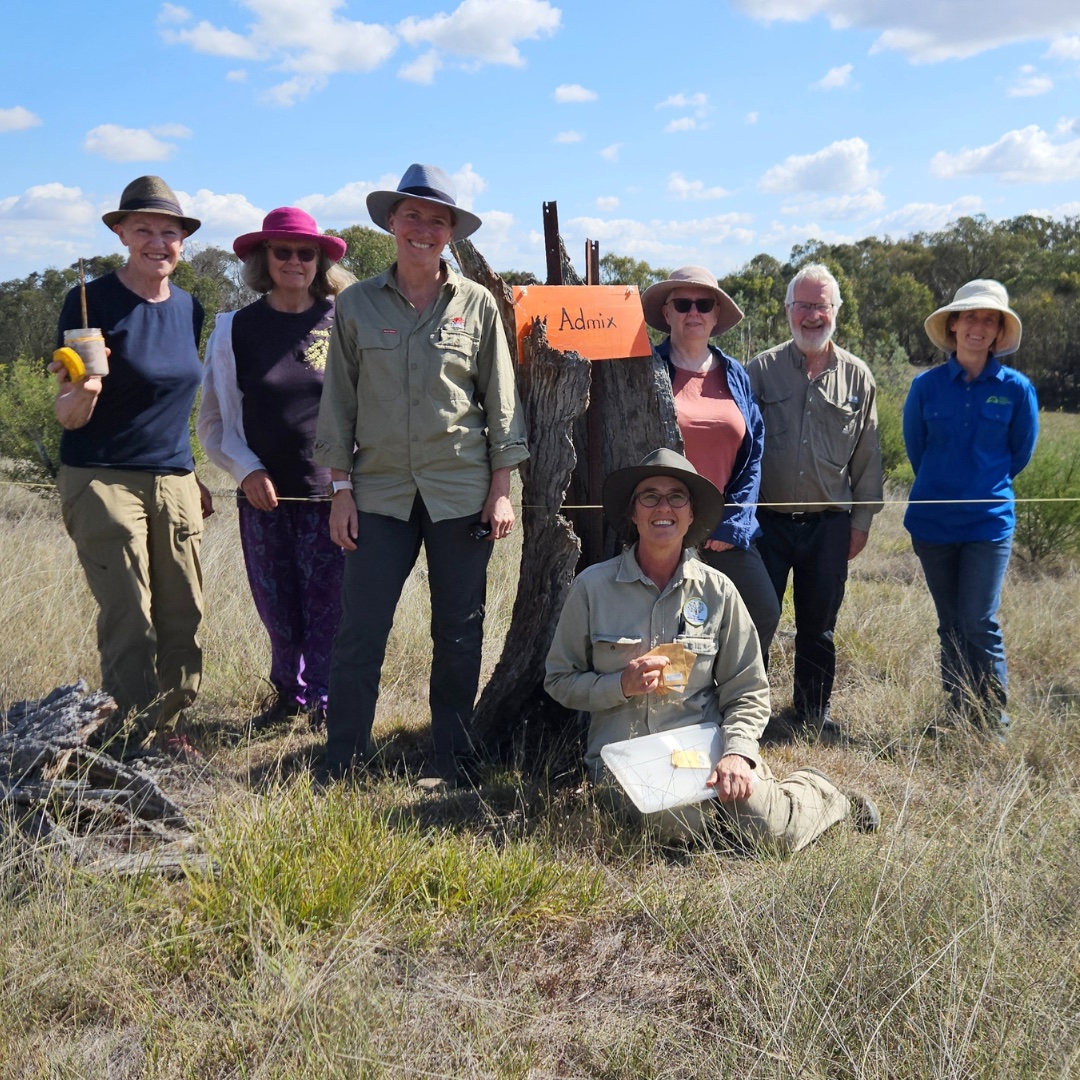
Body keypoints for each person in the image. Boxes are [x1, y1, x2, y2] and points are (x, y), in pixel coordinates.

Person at [544, 448, 879, 850]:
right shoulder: (592, 588)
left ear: (691, 515)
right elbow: (559, 681)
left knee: (775, 831)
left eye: (677, 497)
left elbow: (749, 690)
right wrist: (620, 685)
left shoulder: (718, 591)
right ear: (633, 513)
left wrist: (737, 753)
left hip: (703, 749)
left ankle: (821, 792)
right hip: (625, 758)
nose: (663, 507)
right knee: (675, 825)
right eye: (649, 496)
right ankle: (716, 821)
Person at [314, 163, 529, 784]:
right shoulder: (355, 303)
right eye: (413, 216)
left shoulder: (477, 304)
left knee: (459, 632)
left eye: (438, 220)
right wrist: (341, 490)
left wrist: (502, 490)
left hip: (461, 492)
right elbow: (338, 402)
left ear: (451, 233)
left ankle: (451, 760)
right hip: (378, 492)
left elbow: (501, 401)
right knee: (361, 630)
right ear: (391, 221)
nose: (424, 229)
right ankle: (344, 760)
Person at [50, 175, 212, 746]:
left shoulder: (190, 307)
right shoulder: (90, 301)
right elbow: (68, 413)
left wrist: (192, 474)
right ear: (121, 233)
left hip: (175, 477)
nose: (157, 242)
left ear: (183, 242)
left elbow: (170, 398)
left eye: (170, 232)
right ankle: (128, 737)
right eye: (143, 229)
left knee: (184, 613)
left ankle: (169, 727)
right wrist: (86, 389)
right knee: (130, 616)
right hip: (103, 476)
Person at [198, 208, 354, 731]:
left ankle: (326, 702)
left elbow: (368, 408)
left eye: (305, 253)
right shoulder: (233, 330)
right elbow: (212, 423)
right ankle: (289, 695)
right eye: (282, 251)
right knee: (277, 608)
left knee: (330, 605)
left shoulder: (344, 321)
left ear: (319, 262)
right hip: (263, 498)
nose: (294, 261)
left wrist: (346, 483)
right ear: (263, 259)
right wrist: (245, 471)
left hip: (332, 494)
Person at [746, 264, 883, 736]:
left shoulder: (858, 377)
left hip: (829, 524)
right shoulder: (760, 371)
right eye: (802, 305)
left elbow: (868, 455)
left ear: (836, 311)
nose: (811, 315)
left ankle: (811, 714)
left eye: (820, 306)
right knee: (756, 621)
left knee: (819, 626)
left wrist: (861, 523)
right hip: (766, 523)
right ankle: (751, 714)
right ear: (787, 309)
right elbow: (739, 445)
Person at [903, 280, 1038, 738]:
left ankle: (993, 723)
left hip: (988, 525)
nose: (977, 326)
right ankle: (958, 714)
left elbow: (1019, 454)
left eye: (989, 319)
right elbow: (917, 449)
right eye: (970, 317)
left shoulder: (1017, 389)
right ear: (954, 326)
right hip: (933, 524)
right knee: (950, 624)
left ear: (999, 332)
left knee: (980, 620)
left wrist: (981, 485)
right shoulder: (925, 387)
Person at [641, 266, 780, 656]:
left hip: (722, 530)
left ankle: (737, 690)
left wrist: (731, 521)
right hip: (663, 525)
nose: (693, 312)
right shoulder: (646, 371)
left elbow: (753, 452)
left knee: (761, 612)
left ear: (716, 315)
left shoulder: (736, 374)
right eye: (682, 304)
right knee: (677, 627)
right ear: (666, 312)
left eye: (704, 304)